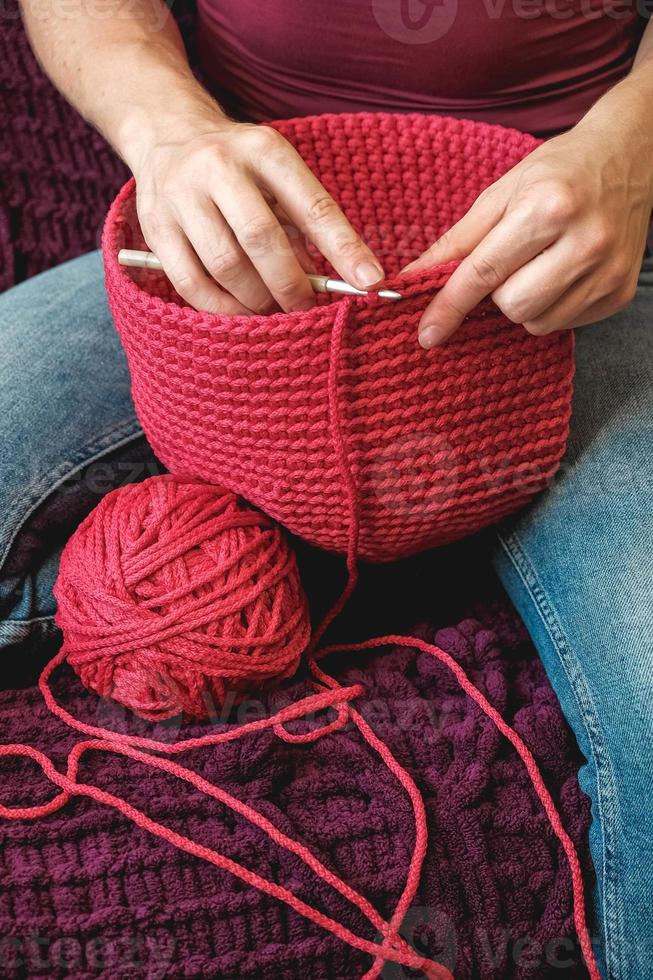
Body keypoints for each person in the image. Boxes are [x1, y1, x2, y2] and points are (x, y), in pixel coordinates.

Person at [2, 2, 652, 976]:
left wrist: (630, 144)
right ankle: (320, 546)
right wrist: (165, 125)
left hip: (580, 266)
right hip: (233, 250)